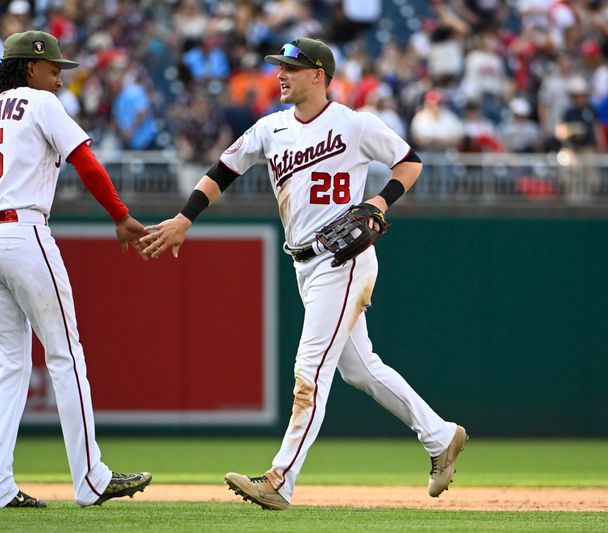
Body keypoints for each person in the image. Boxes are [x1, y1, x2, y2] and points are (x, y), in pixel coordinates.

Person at [140, 37, 467, 511]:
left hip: (343, 259)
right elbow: (223, 169)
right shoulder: (270, 129)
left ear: (319, 75)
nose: (280, 75)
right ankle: (441, 436)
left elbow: (409, 161)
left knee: (309, 373)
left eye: (291, 68)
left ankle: (280, 479)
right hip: (305, 264)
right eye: (279, 67)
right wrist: (184, 218)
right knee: (361, 368)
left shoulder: (353, 124)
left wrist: (378, 201)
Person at [0, 30, 152, 509]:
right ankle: (91, 479)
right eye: (53, 69)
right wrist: (119, 215)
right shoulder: (39, 104)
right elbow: (86, 162)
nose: (58, 78)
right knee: (65, 354)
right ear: (29, 67)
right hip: (23, 233)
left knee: (11, 363)